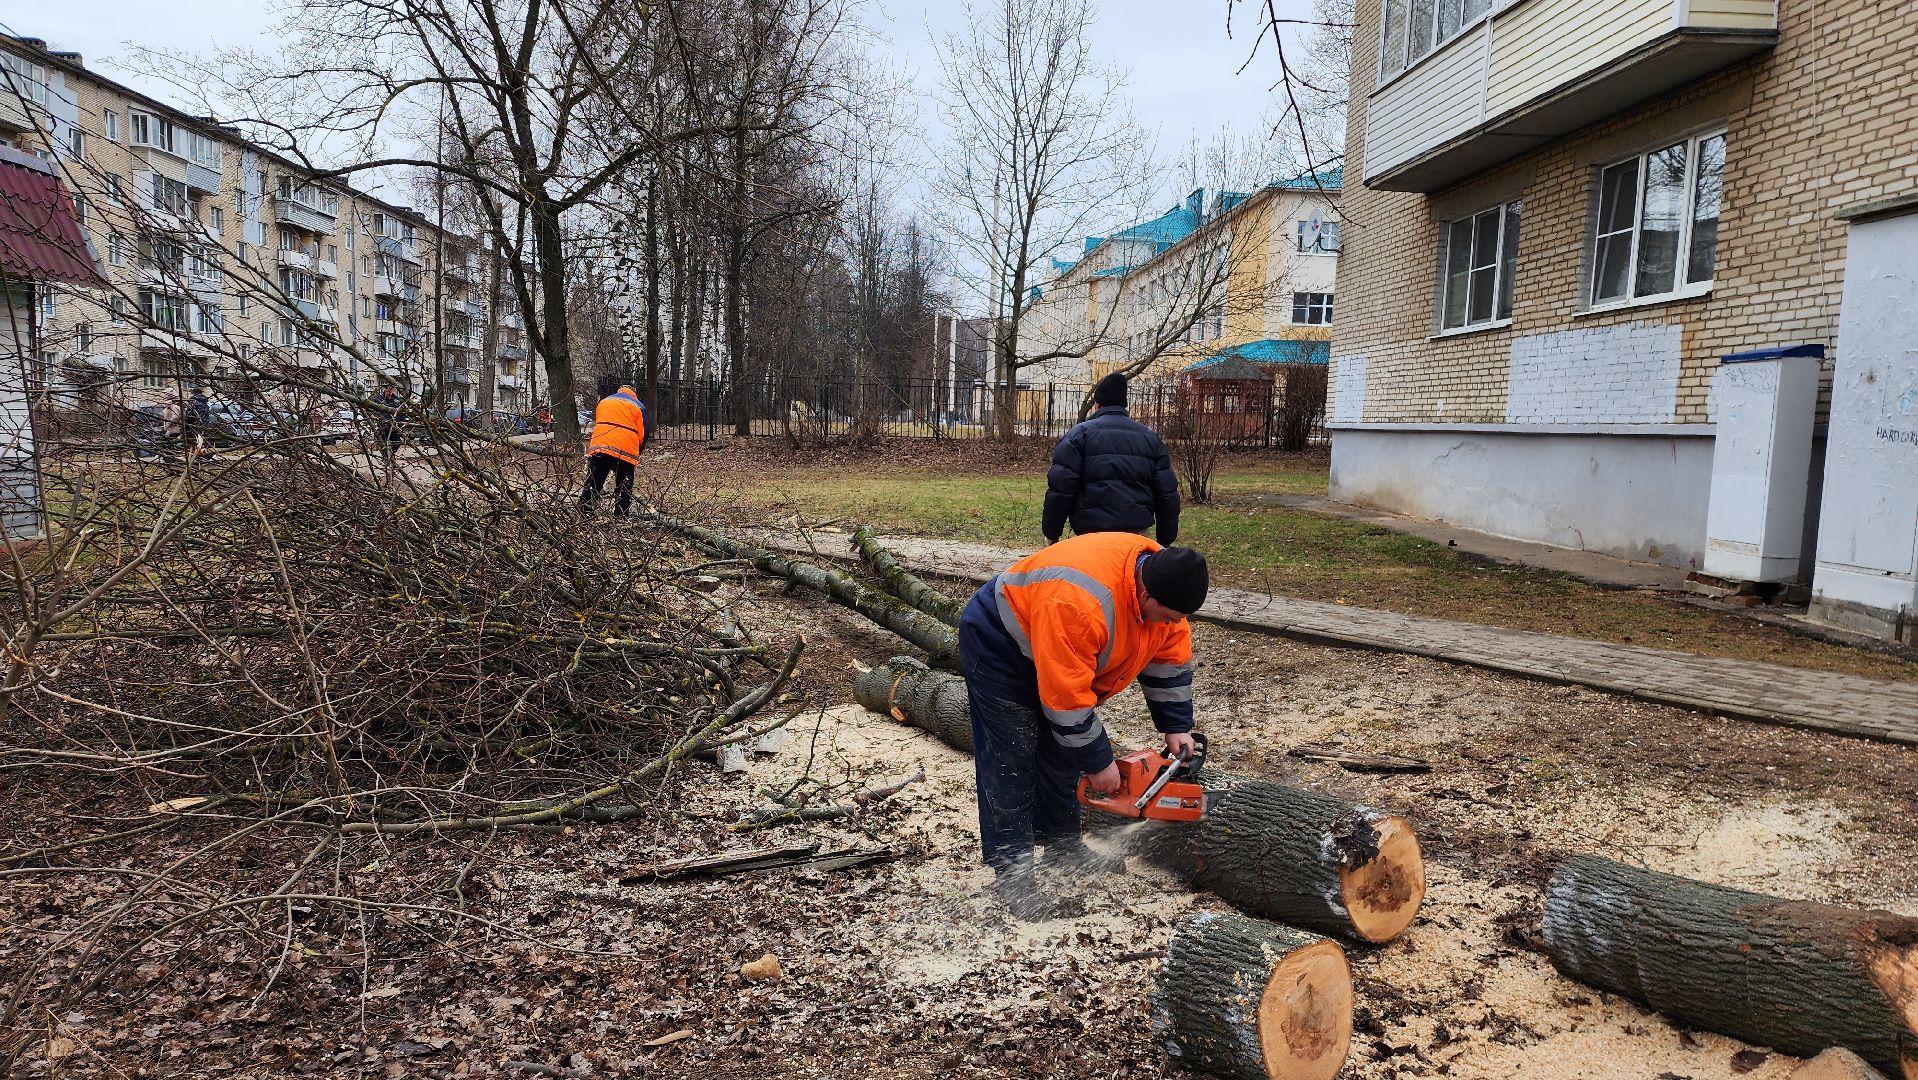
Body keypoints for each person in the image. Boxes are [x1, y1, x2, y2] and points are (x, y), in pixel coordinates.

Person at [957, 532, 1209, 919]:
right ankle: (1013, 873)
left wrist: (1177, 727)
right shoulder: (1082, 604)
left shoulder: (1166, 587)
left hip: (1058, 649)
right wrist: (1098, 762)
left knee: (1061, 755)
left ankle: (1063, 847)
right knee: (1012, 759)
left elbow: (1169, 661)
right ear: (1147, 598)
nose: (1175, 624)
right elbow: (1067, 701)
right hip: (1001, 647)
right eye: (1171, 616)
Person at [1042, 372, 1181, 546]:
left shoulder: (1078, 436)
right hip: (1136, 538)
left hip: (1090, 537)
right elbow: (1166, 493)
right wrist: (1165, 539)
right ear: (1124, 405)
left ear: (1097, 405)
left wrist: (1052, 533)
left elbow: (1061, 489)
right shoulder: (1150, 438)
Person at [579, 376, 646, 516]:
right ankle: (621, 514)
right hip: (624, 450)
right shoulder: (639, 406)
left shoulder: (604, 402)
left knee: (594, 480)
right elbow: (642, 434)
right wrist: (639, 449)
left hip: (600, 446)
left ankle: (585, 508)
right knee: (624, 484)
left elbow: (600, 421)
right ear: (635, 393)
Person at [372, 385, 403, 467]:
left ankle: (391, 455)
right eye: (387, 390)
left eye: (391, 390)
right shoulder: (378, 399)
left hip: (394, 427)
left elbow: (401, 412)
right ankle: (387, 459)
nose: (389, 392)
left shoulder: (396, 400)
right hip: (383, 426)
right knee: (383, 444)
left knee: (397, 442)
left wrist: (400, 421)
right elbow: (374, 410)